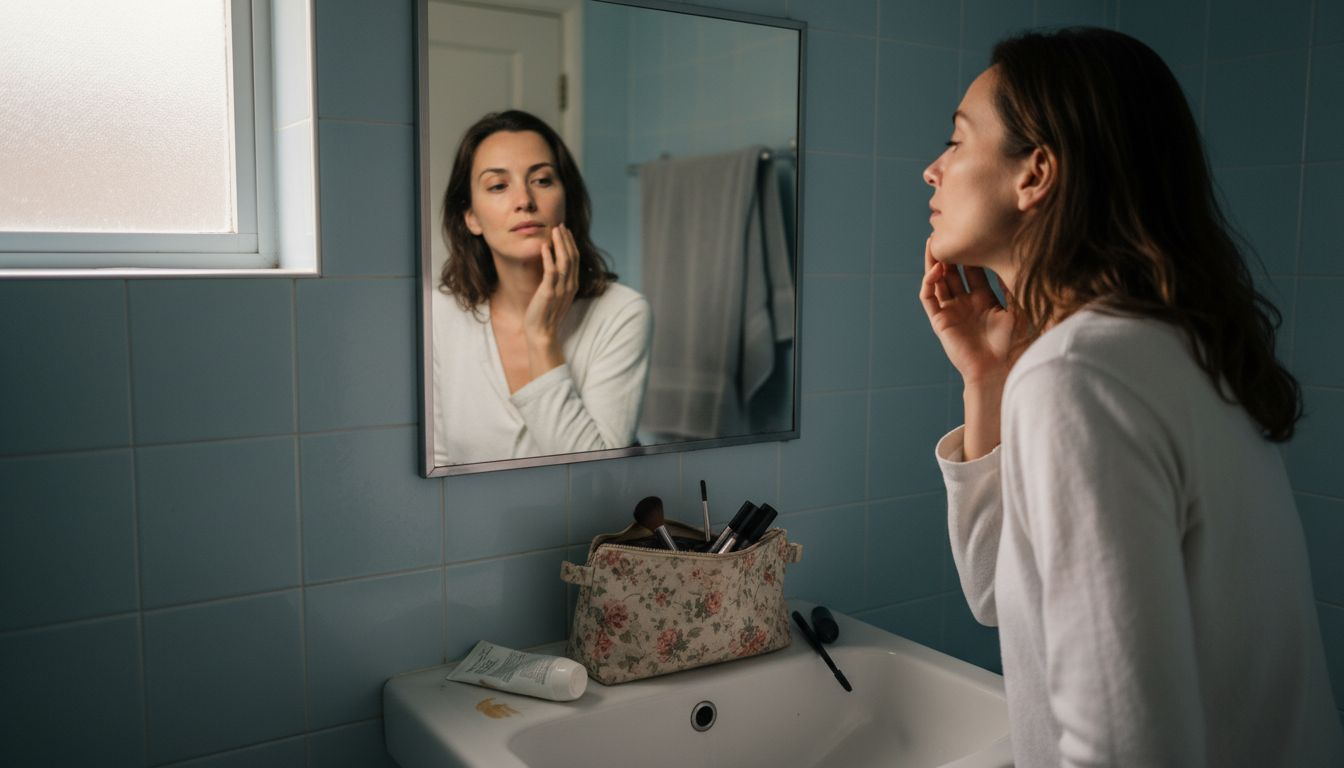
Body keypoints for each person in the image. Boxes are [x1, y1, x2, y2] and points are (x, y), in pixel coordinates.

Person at [918, 27, 1343, 767]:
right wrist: (986, 381)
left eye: (957, 141)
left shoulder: (1079, 378)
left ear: (1036, 172)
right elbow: (999, 594)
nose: (933, 169)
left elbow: (1127, 747)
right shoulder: (1163, 345)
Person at [433, 110, 651, 466]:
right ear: (470, 216)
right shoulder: (440, 315)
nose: (524, 200)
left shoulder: (622, 313)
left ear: (566, 200)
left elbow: (596, 475)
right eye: (498, 186)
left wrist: (541, 338)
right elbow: (439, 463)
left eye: (542, 180)